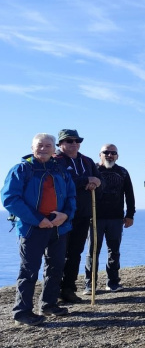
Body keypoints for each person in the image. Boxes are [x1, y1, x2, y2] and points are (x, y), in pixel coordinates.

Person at [2, 133, 76, 325]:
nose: (43, 149)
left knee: (56, 267)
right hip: (32, 228)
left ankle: (48, 304)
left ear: (54, 149)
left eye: (47, 145)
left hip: (59, 227)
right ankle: (22, 312)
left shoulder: (60, 170)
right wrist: (37, 219)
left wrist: (65, 215)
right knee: (29, 271)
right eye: (39, 145)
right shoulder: (21, 169)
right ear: (32, 147)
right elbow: (10, 199)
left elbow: (71, 197)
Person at [55, 129, 103, 303]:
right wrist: (86, 180)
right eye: (69, 141)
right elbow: (64, 182)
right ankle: (54, 291)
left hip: (83, 214)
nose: (74, 143)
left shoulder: (87, 161)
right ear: (60, 144)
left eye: (76, 140)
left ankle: (68, 288)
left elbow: (98, 180)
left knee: (75, 253)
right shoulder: (56, 160)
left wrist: (96, 181)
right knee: (58, 254)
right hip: (62, 216)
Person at [85, 144, 135, 293]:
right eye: (106, 152)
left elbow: (130, 195)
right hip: (95, 218)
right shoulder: (92, 170)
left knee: (114, 251)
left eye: (113, 153)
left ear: (117, 156)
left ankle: (113, 282)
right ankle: (90, 284)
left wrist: (130, 215)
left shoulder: (122, 172)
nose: (109, 155)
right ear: (99, 154)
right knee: (93, 251)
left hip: (116, 218)